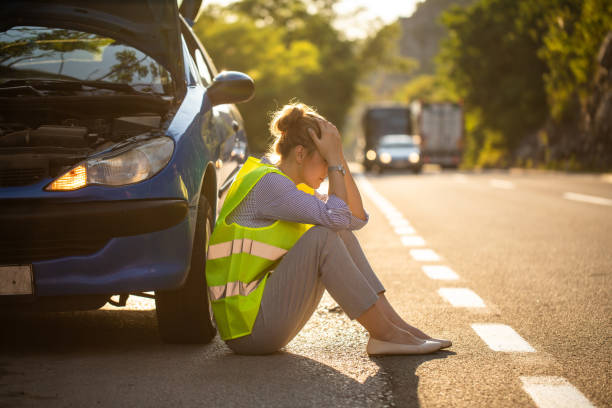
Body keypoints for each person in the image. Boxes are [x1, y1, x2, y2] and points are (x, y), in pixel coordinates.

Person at [205, 102, 452, 355]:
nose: (329, 169)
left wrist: (338, 157)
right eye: (324, 160)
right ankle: (385, 334)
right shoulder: (269, 184)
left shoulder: (293, 187)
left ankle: (397, 329)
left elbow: (354, 219)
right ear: (300, 154)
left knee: (337, 233)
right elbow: (338, 218)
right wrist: (334, 160)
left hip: (264, 318)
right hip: (249, 329)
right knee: (323, 236)